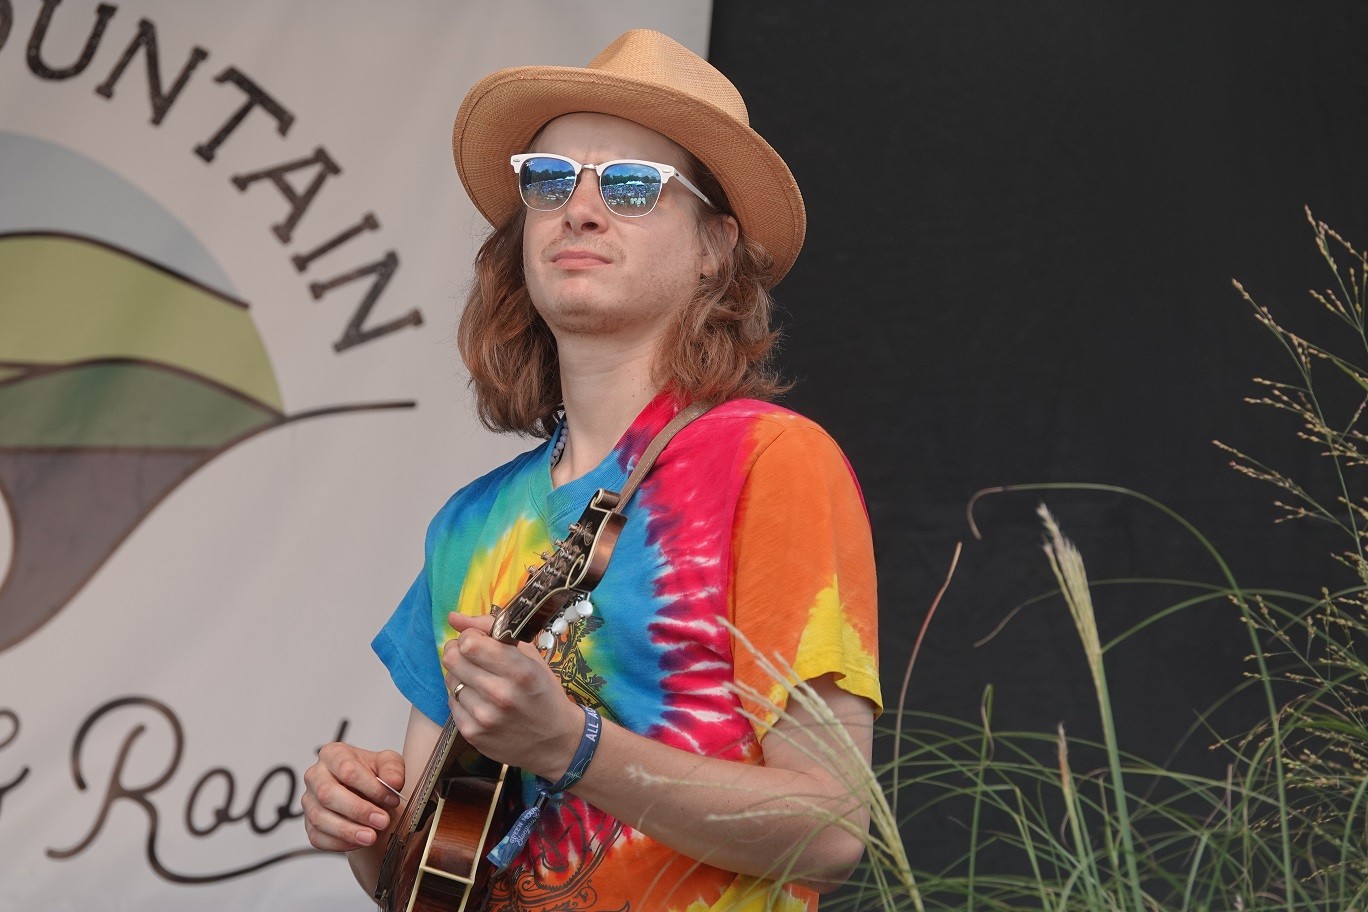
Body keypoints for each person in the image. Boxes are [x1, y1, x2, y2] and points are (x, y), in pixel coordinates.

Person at [302, 29, 882, 912]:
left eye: (631, 185)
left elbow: (833, 827)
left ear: (714, 246)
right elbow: (425, 880)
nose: (578, 208)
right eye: (548, 179)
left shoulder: (771, 461)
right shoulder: (471, 523)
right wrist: (365, 825)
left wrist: (572, 747)